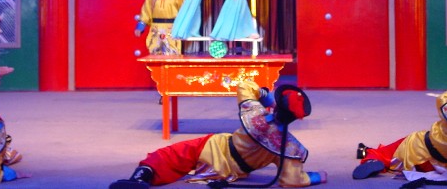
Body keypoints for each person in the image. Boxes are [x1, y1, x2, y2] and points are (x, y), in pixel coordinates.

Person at [109, 80, 327, 188]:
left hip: (214, 147)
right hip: (231, 172)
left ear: (277, 105)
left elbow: (244, 85)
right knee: (180, 159)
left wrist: (265, 97)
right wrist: (314, 177)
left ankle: (140, 179)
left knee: (169, 155)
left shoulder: (256, 113)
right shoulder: (290, 148)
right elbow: (291, 180)